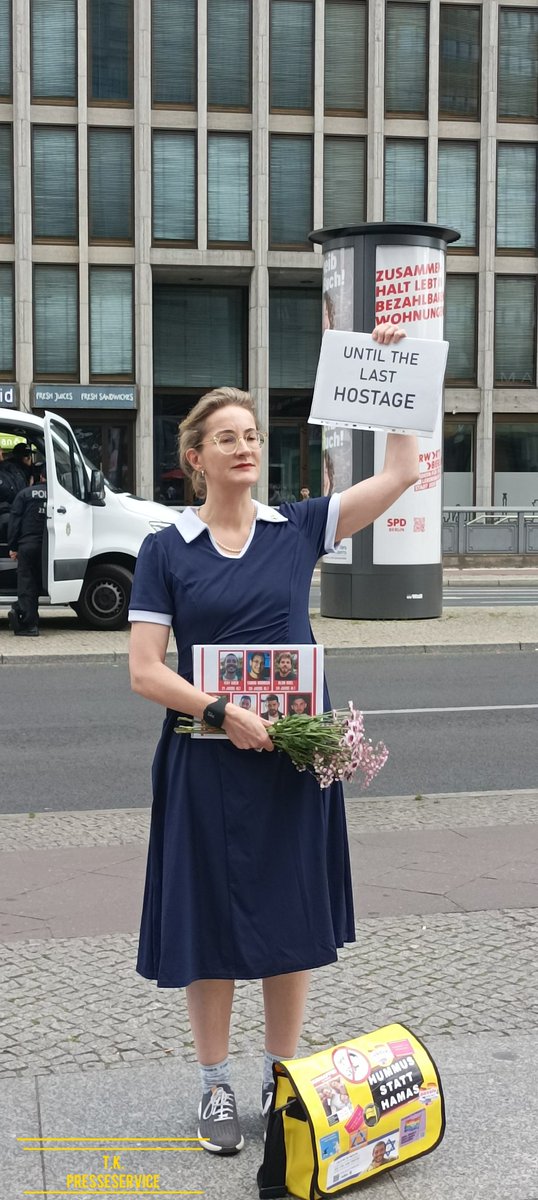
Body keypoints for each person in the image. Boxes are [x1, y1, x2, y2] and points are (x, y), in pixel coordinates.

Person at [128, 325, 418, 1158]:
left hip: (292, 762)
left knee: (290, 916)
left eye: (253, 435)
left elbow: (399, 474)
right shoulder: (165, 550)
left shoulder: (299, 528)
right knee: (210, 920)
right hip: (206, 761)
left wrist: (396, 376)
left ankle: (283, 1081)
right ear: (197, 456)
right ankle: (215, 1087)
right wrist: (219, 712)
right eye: (228, 437)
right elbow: (146, 670)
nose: (246, 446)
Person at [7, 463, 47, 637]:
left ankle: (29, 625)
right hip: (48, 548)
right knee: (38, 584)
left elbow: (14, 522)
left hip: (27, 545)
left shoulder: (24, 494)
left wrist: (13, 547)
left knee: (27, 585)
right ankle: (24, 611)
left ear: (37, 477)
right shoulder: (58, 495)